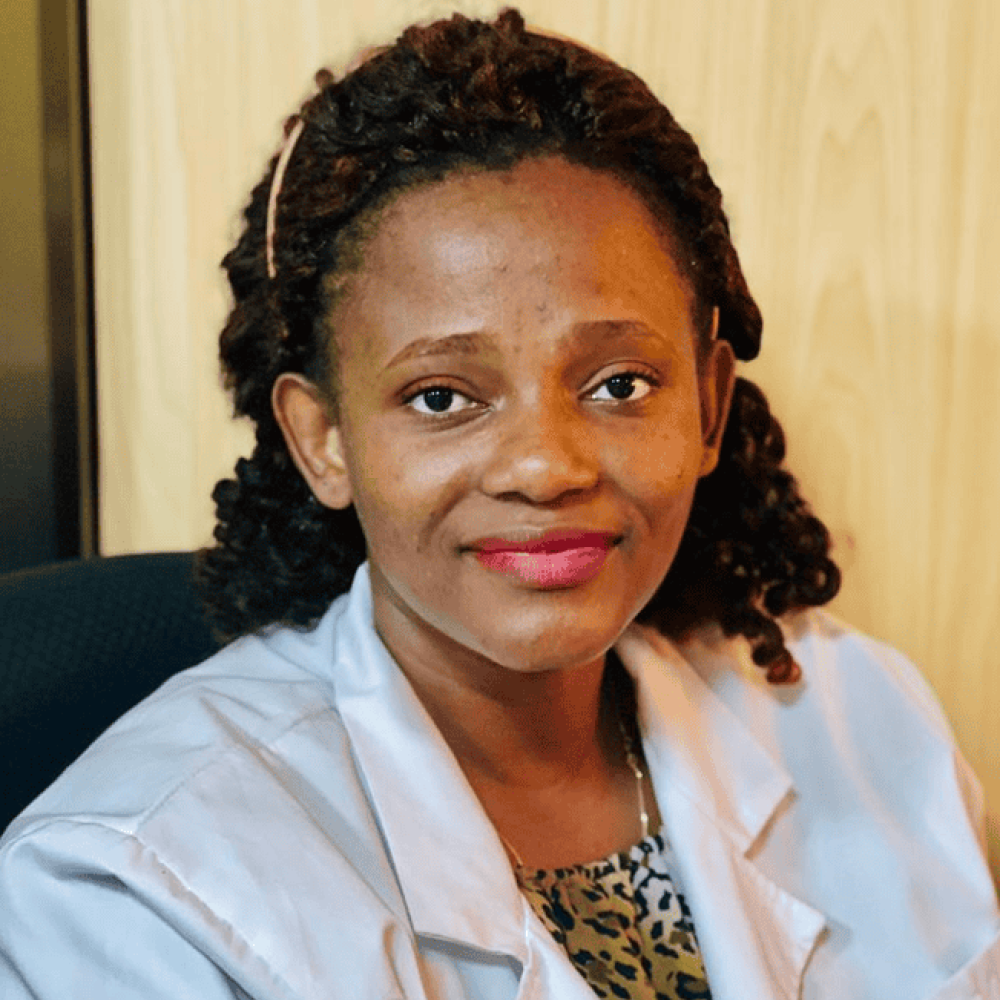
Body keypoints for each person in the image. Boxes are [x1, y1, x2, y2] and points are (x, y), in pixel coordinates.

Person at [0, 9, 997, 999]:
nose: (545, 466)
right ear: (323, 439)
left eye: (618, 384)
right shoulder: (132, 886)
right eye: (442, 397)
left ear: (707, 404)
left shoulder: (858, 716)